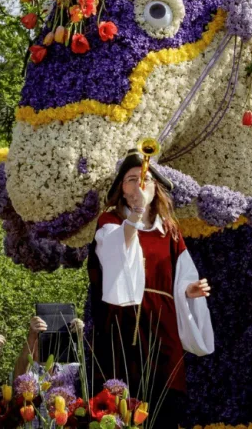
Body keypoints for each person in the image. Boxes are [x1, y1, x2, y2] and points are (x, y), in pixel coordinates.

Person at [87, 148, 214, 429]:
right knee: (120, 399)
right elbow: (115, 253)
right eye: (131, 179)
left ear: (155, 189)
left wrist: (187, 289)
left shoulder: (168, 230)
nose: (138, 184)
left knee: (164, 403)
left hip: (162, 326)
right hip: (122, 324)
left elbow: (181, 274)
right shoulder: (110, 221)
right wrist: (136, 212)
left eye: (144, 179)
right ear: (121, 188)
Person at [13, 315, 85, 379]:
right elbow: (18, 380)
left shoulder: (68, 371)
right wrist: (31, 336)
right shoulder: (30, 373)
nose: (45, 344)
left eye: (50, 340)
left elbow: (91, 371)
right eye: (42, 338)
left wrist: (85, 334)